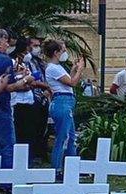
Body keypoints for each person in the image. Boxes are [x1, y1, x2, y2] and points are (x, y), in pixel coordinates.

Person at [0, 28, 29, 180]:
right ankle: (6, 184)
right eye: (6, 40)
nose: (8, 44)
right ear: (0, 41)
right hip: (0, 107)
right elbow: (9, 86)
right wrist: (25, 81)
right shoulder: (4, 60)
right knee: (7, 148)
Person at [43, 39, 84, 175]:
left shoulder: (58, 67)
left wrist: (73, 70)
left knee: (72, 137)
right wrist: (80, 70)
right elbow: (72, 83)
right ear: (55, 52)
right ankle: (57, 169)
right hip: (61, 102)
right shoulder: (52, 68)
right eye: (62, 50)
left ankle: (71, 168)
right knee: (63, 136)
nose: (65, 52)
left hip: (66, 101)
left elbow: (66, 82)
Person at [10, 38, 49, 163]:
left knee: (31, 133)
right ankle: (21, 161)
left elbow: (28, 80)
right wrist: (28, 80)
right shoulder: (13, 63)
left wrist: (28, 80)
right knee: (22, 134)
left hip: (29, 101)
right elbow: (20, 83)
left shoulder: (29, 63)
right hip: (19, 102)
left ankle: (29, 159)